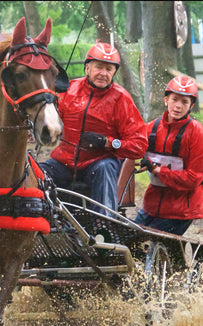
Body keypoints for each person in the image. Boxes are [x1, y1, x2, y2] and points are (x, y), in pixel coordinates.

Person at [39, 41, 147, 214]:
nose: (103, 73)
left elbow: (139, 146)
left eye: (109, 69)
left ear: (114, 72)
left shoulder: (122, 99)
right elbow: (46, 119)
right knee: (37, 172)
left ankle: (103, 225)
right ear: (87, 68)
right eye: (98, 67)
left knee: (104, 168)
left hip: (97, 164)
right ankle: (40, 222)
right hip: (64, 162)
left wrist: (107, 142)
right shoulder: (69, 89)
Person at [134, 75, 203, 236]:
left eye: (184, 102)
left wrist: (157, 171)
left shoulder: (197, 133)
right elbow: (132, 146)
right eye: (174, 99)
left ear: (191, 106)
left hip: (181, 210)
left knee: (152, 246)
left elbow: (194, 178)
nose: (178, 106)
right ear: (166, 100)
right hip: (151, 206)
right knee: (129, 242)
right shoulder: (151, 128)